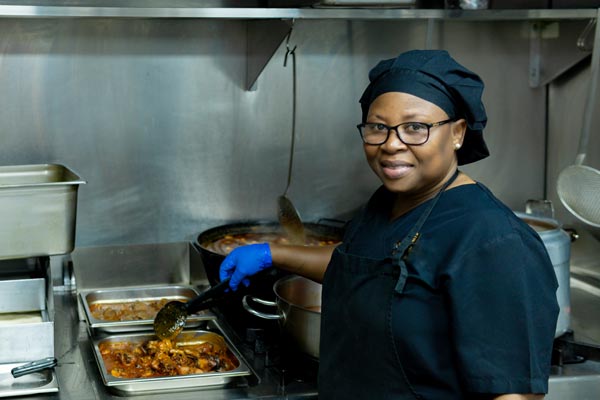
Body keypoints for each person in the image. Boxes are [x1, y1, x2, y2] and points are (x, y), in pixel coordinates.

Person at [220, 49, 559, 400]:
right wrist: (271, 253)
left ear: (458, 133)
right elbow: (361, 265)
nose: (392, 144)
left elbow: (513, 396)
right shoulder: (386, 202)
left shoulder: (495, 241)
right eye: (378, 127)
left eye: (416, 128)